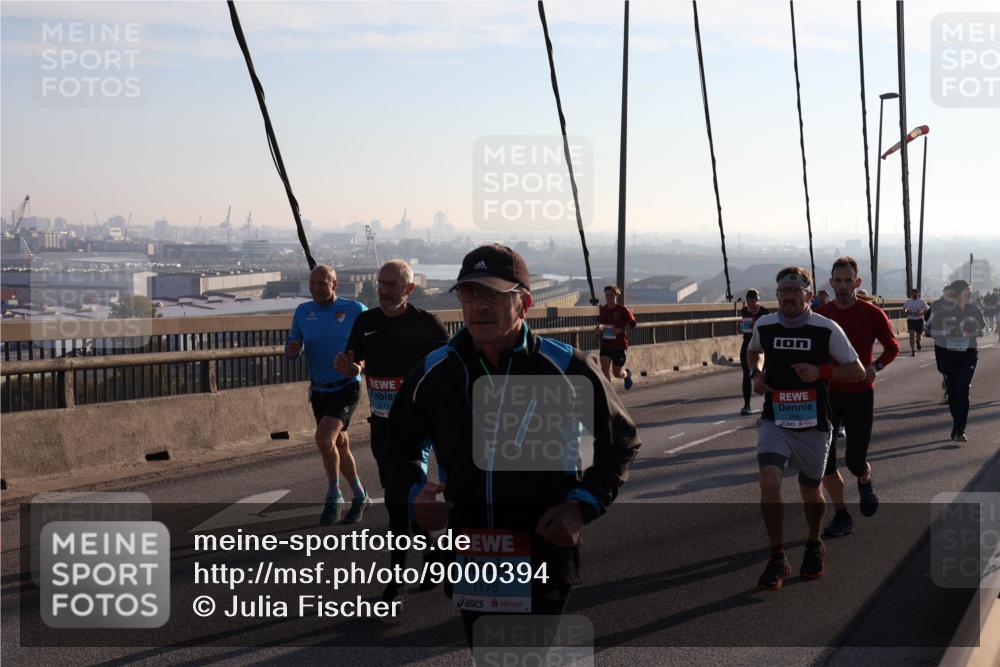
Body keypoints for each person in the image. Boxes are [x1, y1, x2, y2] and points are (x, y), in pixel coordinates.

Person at [387, 244, 641, 644]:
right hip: (472, 553)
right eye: (469, 293)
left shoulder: (566, 367)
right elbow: (398, 447)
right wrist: (415, 493)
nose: (479, 306)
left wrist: (581, 507)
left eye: (494, 294)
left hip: (544, 550)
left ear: (524, 304)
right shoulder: (434, 372)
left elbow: (621, 442)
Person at [338, 259, 449, 607]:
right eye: (381, 284)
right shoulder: (365, 321)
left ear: (409, 289)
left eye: (392, 285)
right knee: (400, 496)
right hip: (382, 424)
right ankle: (434, 552)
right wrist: (350, 368)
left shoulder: (427, 324)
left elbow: (449, 368)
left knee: (397, 503)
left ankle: (395, 585)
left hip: (417, 427)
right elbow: (356, 363)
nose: (384, 291)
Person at [747, 266, 864, 590]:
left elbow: (857, 371)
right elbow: (754, 351)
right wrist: (756, 374)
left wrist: (822, 372)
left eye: (795, 291)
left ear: (808, 295)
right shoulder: (765, 325)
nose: (788, 297)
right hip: (775, 419)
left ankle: (813, 542)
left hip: (814, 424)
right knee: (769, 481)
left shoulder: (826, 329)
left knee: (811, 489)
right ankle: (777, 556)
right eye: (783, 291)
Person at [815, 257, 900, 538]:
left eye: (848, 280)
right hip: (828, 394)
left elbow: (892, 347)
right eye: (838, 281)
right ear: (831, 282)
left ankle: (864, 477)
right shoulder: (821, 315)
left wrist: (876, 367)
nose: (842, 286)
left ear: (857, 282)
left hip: (860, 394)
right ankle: (842, 515)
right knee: (825, 461)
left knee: (854, 460)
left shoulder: (872, 313)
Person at [286, 265, 368, 525]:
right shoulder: (303, 311)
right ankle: (360, 495)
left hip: (347, 386)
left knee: (324, 438)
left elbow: (371, 346)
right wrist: (292, 349)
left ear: (335, 284)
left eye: (322, 283)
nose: (316, 288)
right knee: (339, 444)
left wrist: (357, 367)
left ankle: (334, 495)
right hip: (320, 390)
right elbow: (292, 346)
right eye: (313, 283)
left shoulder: (355, 309)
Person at [926, 280, 985, 442]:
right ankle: (957, 424)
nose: (971, 295)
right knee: (953, 392)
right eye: (968, 292)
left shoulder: (974, 309)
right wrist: (947, 332)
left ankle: (960, 428)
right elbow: (928, 330)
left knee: (963, 389)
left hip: (968, 354)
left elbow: (983, 329)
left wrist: (971, 332)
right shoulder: (940, 310)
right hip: (948, 355)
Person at [597, 285, 638, 389]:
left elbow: (633, 324)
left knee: (617, 373)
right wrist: (600, 328)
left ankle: (627, 374)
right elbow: (600, 324)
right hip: (606, 344)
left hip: (619, 345)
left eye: (611, 295)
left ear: (616, 295)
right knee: (604, 368)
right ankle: (609, 392)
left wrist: (620, 330)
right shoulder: (603, 310)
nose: (608, 297)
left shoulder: (623, 310)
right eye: (607, 295)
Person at [738, 289, 770, 416]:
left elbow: (769, 329)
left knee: (765, 374)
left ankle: (768, 405)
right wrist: (741, 327)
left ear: (757, 300)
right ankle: (747, 406)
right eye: (748, 301)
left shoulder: (764, 312)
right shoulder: (744, 311)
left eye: (752, 300)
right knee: (747, 374)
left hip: (761, 346)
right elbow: (742, 325)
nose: (750, 303)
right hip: (747, 344)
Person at [903, 288, 929, 356]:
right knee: (911, 335)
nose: (914, 294)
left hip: (919, 320)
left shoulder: (921, 301)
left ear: (918, 293)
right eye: (913, 293)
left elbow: (926, 310)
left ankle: (918, 341)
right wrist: (906, 311)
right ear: (911, 294)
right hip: (911, 320)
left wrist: (920, 313)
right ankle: (913, 350)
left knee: (918, 336)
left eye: (915, 293)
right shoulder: (908, 301)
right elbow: (904, 308)